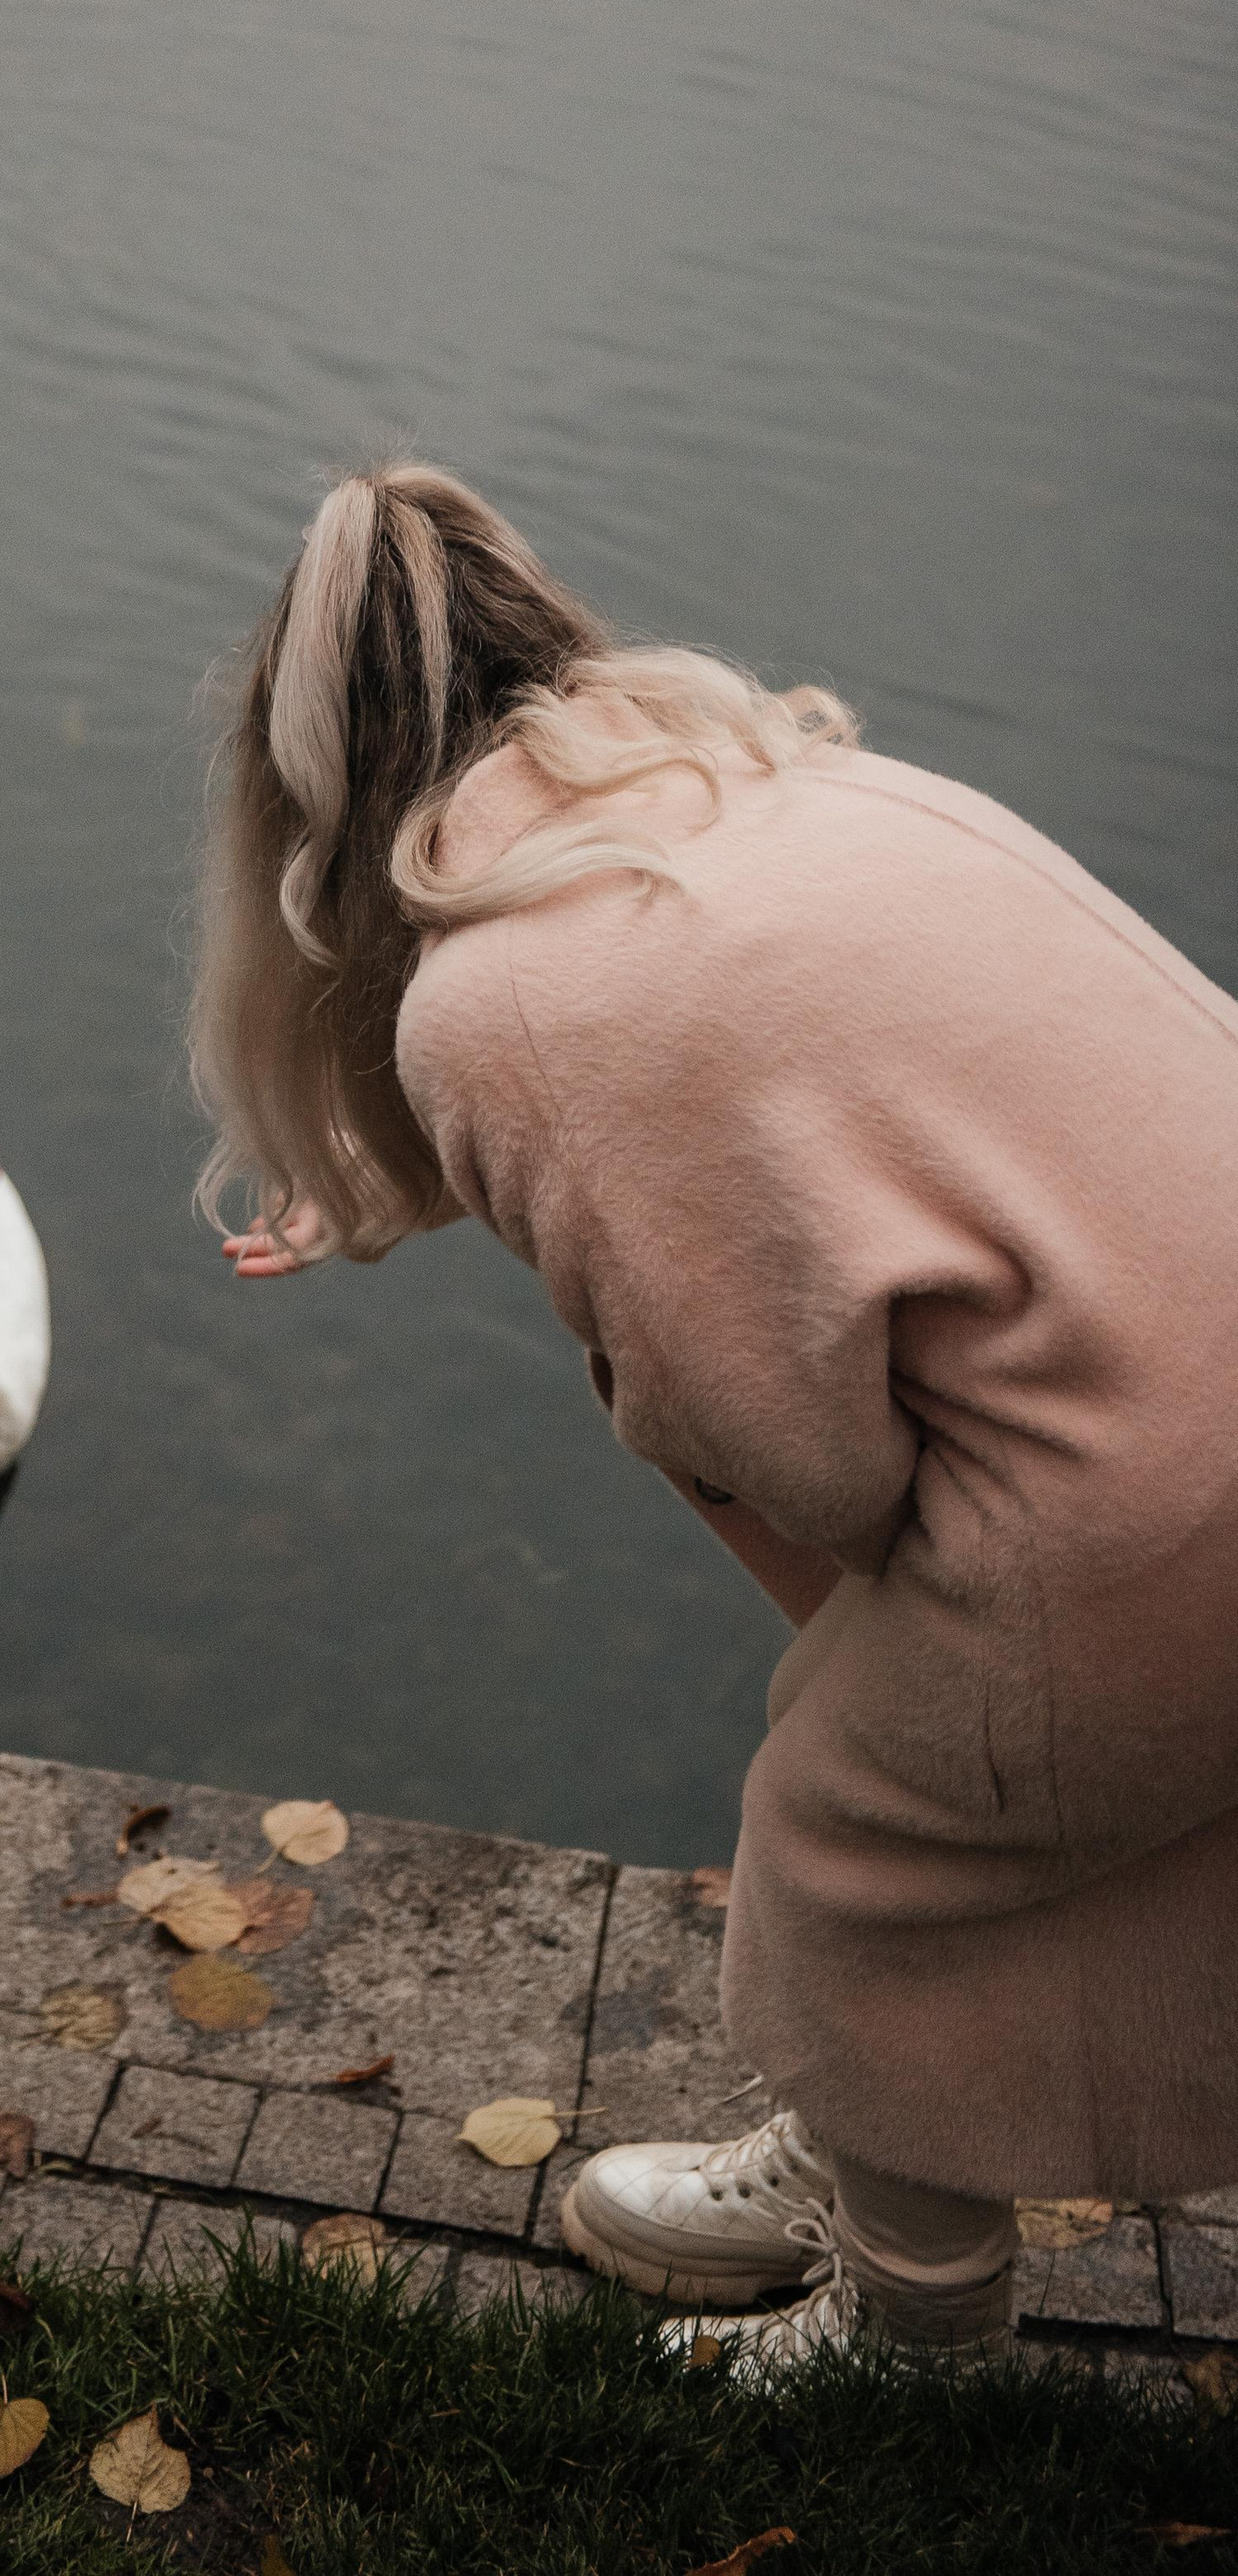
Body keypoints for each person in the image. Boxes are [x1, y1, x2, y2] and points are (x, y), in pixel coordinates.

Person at [191, 461, 1238, 2369]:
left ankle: (909, 2344)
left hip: (1161, 1493)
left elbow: (801, 1457)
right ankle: (883, 2132)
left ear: (307, 812)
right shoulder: (771, 785)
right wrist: (390, 1200)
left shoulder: (491, 1001)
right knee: (1008, 1772)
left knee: (850, 1841)